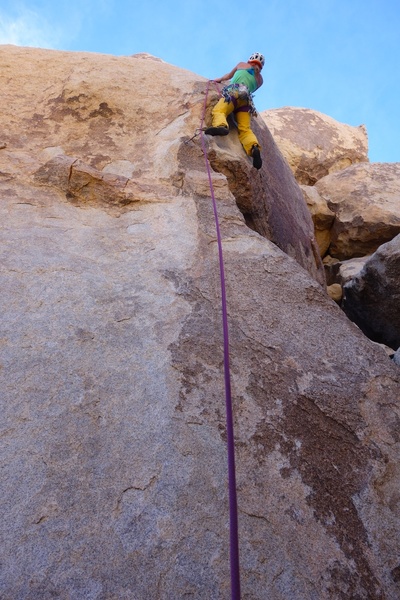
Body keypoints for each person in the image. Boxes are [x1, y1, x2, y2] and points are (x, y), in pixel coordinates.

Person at [205, 52, 265, 170]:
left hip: (234, 92)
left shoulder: (242, 64)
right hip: (246, 101)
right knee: (245, 129)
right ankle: (254, 148)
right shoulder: (260, 80)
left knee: (219, 110)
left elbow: (228, 76)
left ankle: (221, 126)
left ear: (250, 60)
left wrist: (219, 79)